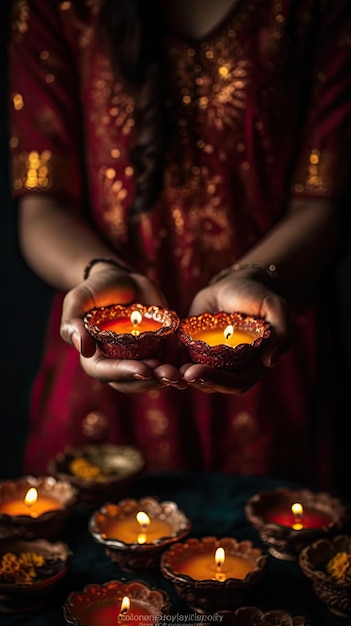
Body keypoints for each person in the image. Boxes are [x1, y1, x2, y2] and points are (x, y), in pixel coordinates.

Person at [7, 0, 351, 492]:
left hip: (269, 347)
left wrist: (252, 275)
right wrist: (99, 273)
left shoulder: (314, 11)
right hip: (104, 355)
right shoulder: (59, 9)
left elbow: (323, 202)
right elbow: (42, 205)